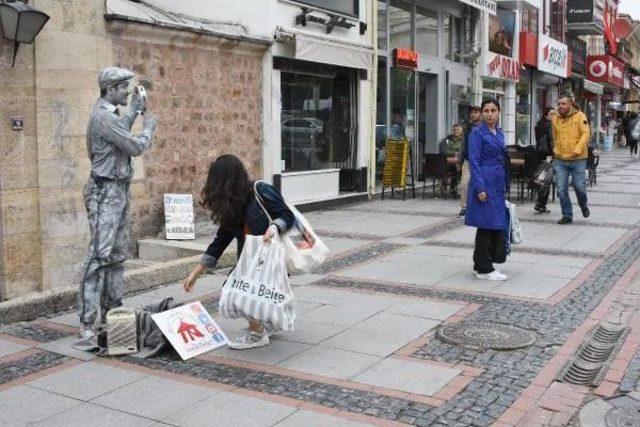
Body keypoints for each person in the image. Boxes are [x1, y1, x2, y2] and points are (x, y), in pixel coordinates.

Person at [74, 67, 157, 349]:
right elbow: (133, 146)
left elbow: (119, 135)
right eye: (124, 87)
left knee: (117, 254)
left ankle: (114, 310)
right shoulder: (102, 116)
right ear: (110, 89)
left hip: (118, 189)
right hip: (105, 191)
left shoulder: (112, 117)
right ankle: (87, 322)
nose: (127, 91)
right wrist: (149, 126)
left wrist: (133, 110)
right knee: (99, 255)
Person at [183, 155, 295, 350]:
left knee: (237, 292)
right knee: (248, 292)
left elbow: (287, 215)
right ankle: (264, 325)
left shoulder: (260, 190)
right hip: (249, 259)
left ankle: (257, 334)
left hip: (269, 256)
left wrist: (275, 227)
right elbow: (221, 240)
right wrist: (197, 271)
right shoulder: (231, 204)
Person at [465, 99, 509, 281]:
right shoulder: (477, 133)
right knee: (486, 224)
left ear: (499, 112)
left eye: (493, 110)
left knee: (494, 224)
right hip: (483, 180)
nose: (489, 114)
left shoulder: (499, 132)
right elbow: (473, 161)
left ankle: (482, 263)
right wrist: (479, 187)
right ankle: (484, 268)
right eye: (486, 110)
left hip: (497, 182)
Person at [552, 94, 591, 225]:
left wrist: (577, 150)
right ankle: (567, 215)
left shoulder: (580, 116)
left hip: (578, 158)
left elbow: (586, 133)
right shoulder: (555, 118)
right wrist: (555, 149)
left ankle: (583, 205)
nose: (560, 106)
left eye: (563, 103)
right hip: (560, 159)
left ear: (570, 104)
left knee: (579, 187)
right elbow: (555, 135)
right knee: (561, 189)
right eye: (559, 104)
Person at [458, 106, 482, 217]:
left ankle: (480, 207)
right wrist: (460, 160)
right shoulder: (467, 128)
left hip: (481, 161)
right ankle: (464, 207)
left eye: (475, 112)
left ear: (481, 114)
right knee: (464, 184)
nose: (473, 114)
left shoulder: (485, 127)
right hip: (468, 160)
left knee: (480, 185)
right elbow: (463, 144)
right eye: (471, 113)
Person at [533, 107, 555, 214]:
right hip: (548, 156)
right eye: (551, 114)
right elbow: (551, 141)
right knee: (546, 180)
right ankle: (541, 204)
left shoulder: (538, 125)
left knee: (542, 178)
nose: (553, 116)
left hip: (539, 155)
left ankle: (540, 203)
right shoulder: (549, 125)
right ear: (546, 115)